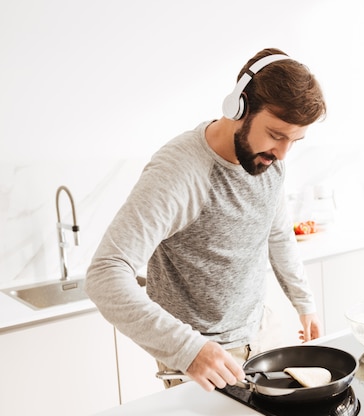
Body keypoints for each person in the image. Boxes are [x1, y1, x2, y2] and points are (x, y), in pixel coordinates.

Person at [85, 47, 326, 392]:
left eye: (295, 140)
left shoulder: (270, 162)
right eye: (276, 135)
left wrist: (304, 303)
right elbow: (105, 274)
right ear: (238, 107)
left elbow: (276, 233)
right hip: (202, 362)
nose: (283, 153)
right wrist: (188, 349)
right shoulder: (179, 171)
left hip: (260, 335)